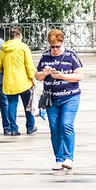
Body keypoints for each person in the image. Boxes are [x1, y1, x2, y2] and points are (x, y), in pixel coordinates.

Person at [36, 28, 84, 174]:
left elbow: (79, 76)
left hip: (70, 96)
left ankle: (68, 158)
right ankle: (59, 159)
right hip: (52, 99)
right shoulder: (45, 57)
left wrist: (62, 76)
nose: (55, 49)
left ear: (62, 43)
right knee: (55, 129)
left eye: (57, 46)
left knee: (66, 125)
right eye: (52, 47)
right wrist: (44, 73)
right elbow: (37, 76)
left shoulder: (71, 56)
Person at [0, 26, 37, 137]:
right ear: (19, 35)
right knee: (28, 105)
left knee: (12, 104)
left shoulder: (4, 48)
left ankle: (14, 128)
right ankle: (30, 127)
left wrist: (4, 71)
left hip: (9, 81)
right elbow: (29, 65)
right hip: (24, 82)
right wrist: (33, 78)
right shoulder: (24, 47)